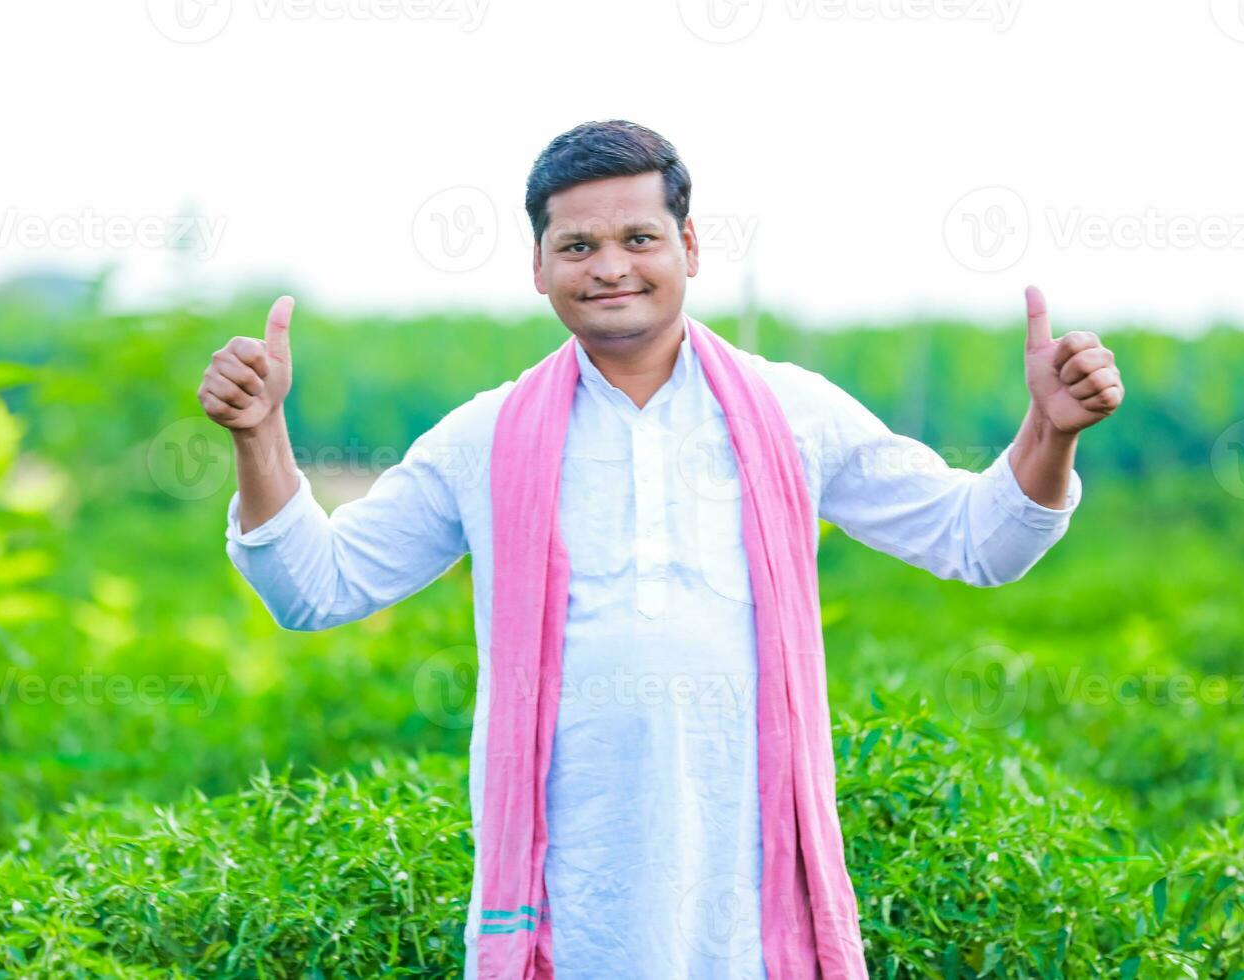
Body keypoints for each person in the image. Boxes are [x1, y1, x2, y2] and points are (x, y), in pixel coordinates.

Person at [197, 120, 1123, 979]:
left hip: (751, 904)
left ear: (689, 247)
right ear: (538, 266)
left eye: (639, 238)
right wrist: (259, 435)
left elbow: (979, 543)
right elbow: (315, 589)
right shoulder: (484, 439)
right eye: (578, 246)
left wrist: (1051, 432)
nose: (610, 267)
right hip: (568, 901)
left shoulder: (792, 411)